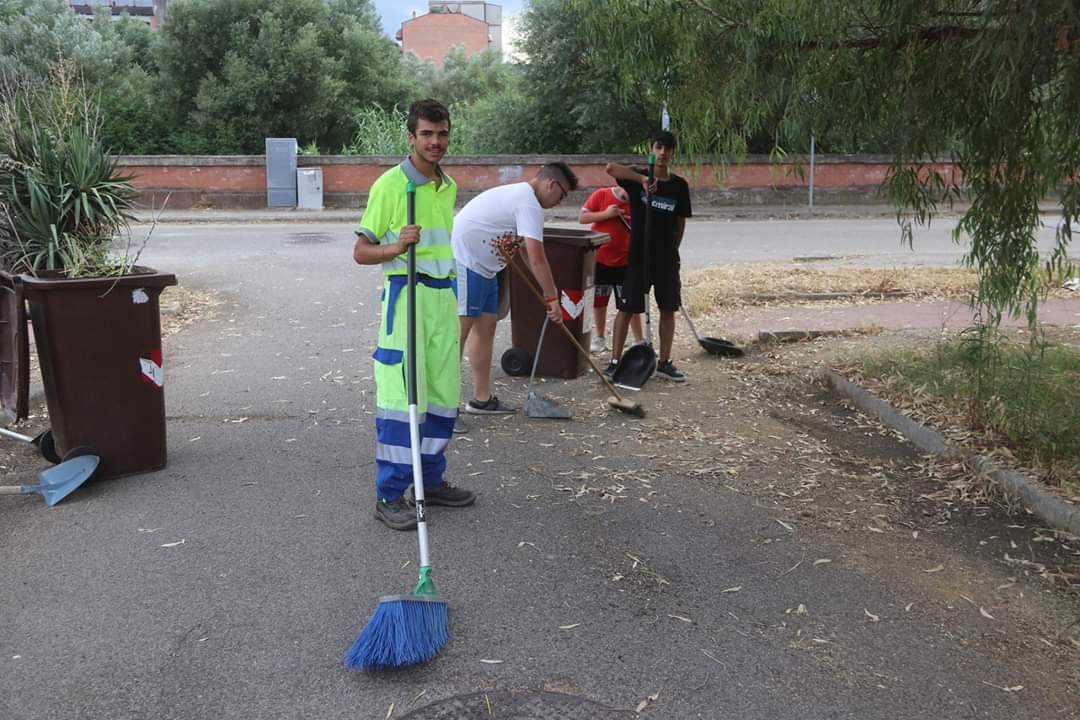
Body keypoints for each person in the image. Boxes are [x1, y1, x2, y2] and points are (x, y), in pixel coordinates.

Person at [352, 98, 475, 531]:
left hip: (443, 302)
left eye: (442, 134)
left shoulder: (448, 185)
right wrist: (395, 247)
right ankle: (390, 494)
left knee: (442, 394)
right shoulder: (390, 186)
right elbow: (361, 252)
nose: (436, 142)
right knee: (402, 399)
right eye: (427, 134)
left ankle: (431, 480)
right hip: (407, 300)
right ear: (411, 137)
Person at [452, 163, 579, 414]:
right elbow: (537, 257)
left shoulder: (522, 197)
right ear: (551, 184)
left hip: (485, 268)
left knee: (486, 327)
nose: (560, 202)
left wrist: (546, 291)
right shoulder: (528, 202)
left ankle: (481, 399)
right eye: (562, 195)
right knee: (458, 333)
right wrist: (552, 296)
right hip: (466, 261)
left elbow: (522, 250)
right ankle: (442, 408)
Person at [604, 129, 692, 382]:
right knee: (627, 309)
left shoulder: (679, 186)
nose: (663, 152)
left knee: (668, 309)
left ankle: (664, 362)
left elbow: (680, 222)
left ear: (673, 152)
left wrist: (673, 248)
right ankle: (615, 361)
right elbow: (611, 168)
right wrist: (641, 180)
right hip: (638, 258)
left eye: (667, 148)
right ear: (651, 150)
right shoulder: (637, 178)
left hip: (666, 259)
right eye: (658, 147)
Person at [578, 185, 644, 354]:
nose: (631, 197)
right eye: (629, 192)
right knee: (599, 301)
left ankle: (639, 341)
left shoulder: (640, 201)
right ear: (621, 184)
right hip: (600, 259)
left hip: (626, 262)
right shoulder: (601, 195)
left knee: (630, 303)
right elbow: (583, 217)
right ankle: (599, 338)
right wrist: (606, 214)